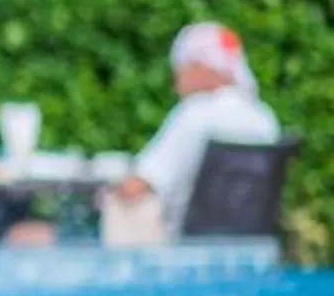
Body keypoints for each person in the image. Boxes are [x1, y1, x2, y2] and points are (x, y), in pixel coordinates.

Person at [107, 21, 283, 237]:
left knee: (124, 204)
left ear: (202, 67)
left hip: (189, 248)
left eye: (181, 68)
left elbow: (137, 186)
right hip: (250, 245)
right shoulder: (264, 118)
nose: (176, 80)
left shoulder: (195, 113)